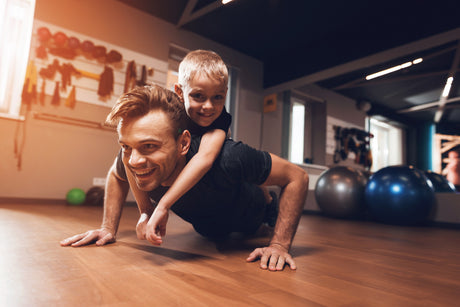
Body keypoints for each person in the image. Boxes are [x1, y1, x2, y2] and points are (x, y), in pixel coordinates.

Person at [61, 84, 309, 271]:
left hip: (253, 218)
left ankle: (268, 201)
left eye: (149, 146)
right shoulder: (132, 160)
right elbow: (116, 174)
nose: (134, 160)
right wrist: (108, 227)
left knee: (262, 202)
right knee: (214, 232)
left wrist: (279, 245)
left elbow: (297, 176)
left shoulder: (230, 157)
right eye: (127, 146)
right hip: (210, 230)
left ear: (183, 143)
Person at [126, 50, 241, 247]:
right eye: (198, 96)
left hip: (216, 160)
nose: (208, 106)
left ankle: (265, 196)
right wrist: (146, 210)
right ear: (179, 92)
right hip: (191, 162)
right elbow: (125, 155)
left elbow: (205, 158)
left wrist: (164, 205)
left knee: (249, 176)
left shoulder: (221, 119)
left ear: (226, 94)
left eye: (217, 97)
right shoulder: (173, 113)